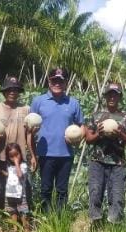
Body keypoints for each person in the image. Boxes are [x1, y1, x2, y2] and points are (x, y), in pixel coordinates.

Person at [30, 68, 84, 212]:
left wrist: (78, 138)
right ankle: (46, 219)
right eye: (54, 80)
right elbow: (30, 128)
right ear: (49, 81)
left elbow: (82, 125)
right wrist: (33, 154)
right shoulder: (38, 101)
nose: (57, 84)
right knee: (45, 189)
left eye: (61, 81)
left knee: (62, 190)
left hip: (66, 154)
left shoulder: (73, 103)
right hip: (45, 154)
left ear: (66, 83)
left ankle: (60, 220)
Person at [85, 83, 126, 228]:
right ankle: (96, 223)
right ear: (105, 96)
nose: (112, 97)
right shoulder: (96, 116)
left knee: (117, 196)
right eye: (109, 94)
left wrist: (121, 134)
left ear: (120, 97)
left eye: (115, 94)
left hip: (118, 163)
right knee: (95, 192)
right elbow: (88, 139)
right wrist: (98, 135)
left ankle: (115, 226)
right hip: (97, 161)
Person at [0, 76, 37, 223]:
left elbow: (29, 135)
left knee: (23, 191)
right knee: (0, 190)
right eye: (9, 89)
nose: (12, 92)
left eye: (15, 90)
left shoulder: (26, 109)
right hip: (0, 157)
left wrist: (33, 155)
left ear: (19, 92)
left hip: (20, 159)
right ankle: (2, 220)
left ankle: (24, 220)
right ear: (4, 91)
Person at [3, 143, 31, 232]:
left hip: (20, 195)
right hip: (10, 194)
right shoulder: (9, 166)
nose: (15, 157)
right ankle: (14, 229)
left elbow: (19, 174)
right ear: (8, 157)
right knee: (12, 211)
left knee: (23, 212)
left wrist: (16, 163)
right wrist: (3, 173)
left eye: (16, 154)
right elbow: (11, 175)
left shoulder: (23, 165)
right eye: (11, 156)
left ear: (20, 153)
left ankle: (26, 230)